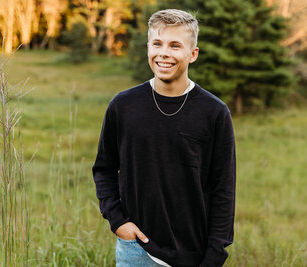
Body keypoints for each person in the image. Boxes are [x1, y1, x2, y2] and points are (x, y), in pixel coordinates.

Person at [92, 9, 236, 267]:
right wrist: (118, 222)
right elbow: (103, 169)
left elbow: (223, 189)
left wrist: (215, 255)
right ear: (148, 47)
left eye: (175, 45)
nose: (164, 53)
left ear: (193, 54)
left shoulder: (214, 112)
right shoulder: (123, 106)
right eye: (157, 43)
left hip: (195, 254)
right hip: (136, 250)